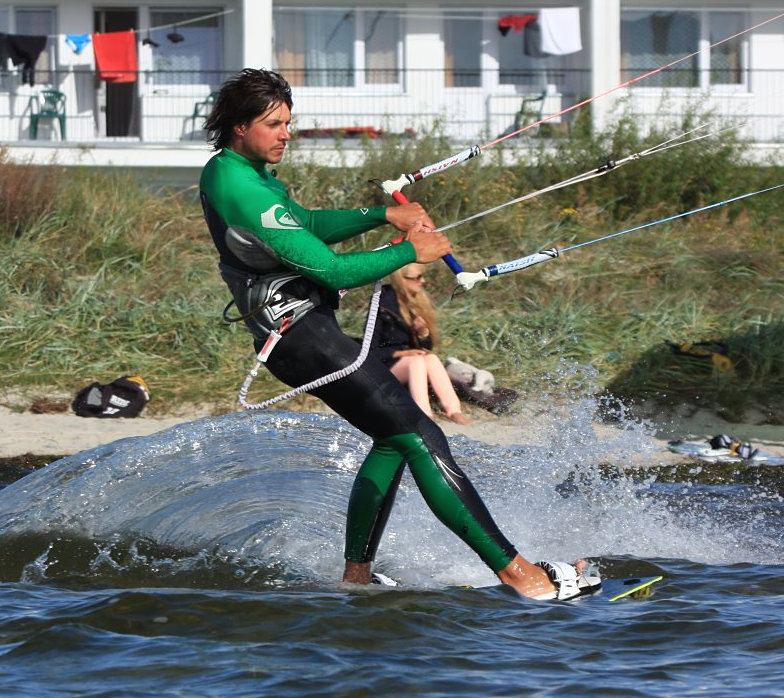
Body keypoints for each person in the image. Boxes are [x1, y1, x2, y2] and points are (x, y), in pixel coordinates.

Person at [198, 67, 599, 600]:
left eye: (288, 123)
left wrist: (383, 214)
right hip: (300, 338)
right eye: (274, 125)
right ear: (239, 126)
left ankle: (356, 578)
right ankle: (522, 577)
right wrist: (411, 250)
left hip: (303, 332)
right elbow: (332, 272)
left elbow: (305, 226)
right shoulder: (239, 187)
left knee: (393, 438)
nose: (286, 134)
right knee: (422, 436)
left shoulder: (245, 172)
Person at [375, 263, 472, 425]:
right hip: (386, 367)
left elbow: (427, 346)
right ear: (402, 280)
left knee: (431, 358)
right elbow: (371, 351)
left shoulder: (414, 303)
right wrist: (402, 354)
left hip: (411, 363)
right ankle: (425, 415)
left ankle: (454, 410)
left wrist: (423, 333)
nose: (423, 281)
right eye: (417, 277)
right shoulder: (382, 305)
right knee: (417, 360)